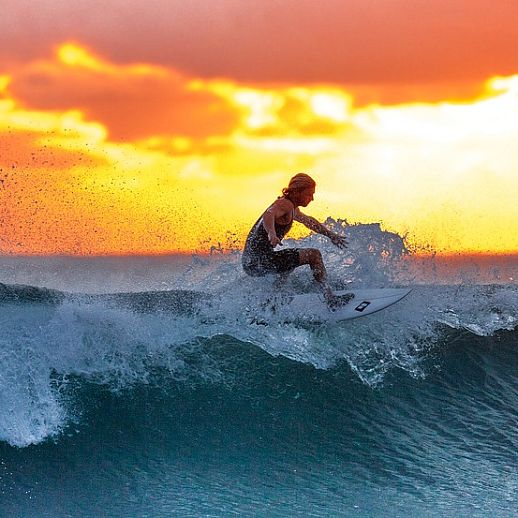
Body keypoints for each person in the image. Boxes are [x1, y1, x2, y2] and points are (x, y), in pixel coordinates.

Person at [242, 173, 353, 308]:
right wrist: (271, 233)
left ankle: (270, 302)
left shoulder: (291, 207)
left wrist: (331, 235)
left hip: (252, 262)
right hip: (258, 261)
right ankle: (330, 299)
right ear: (297, 192)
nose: (311, 199)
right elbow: (269, 214)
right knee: (314, 255)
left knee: (291, 261)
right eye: (309, 194)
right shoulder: (284, 204)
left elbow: (309, 222)